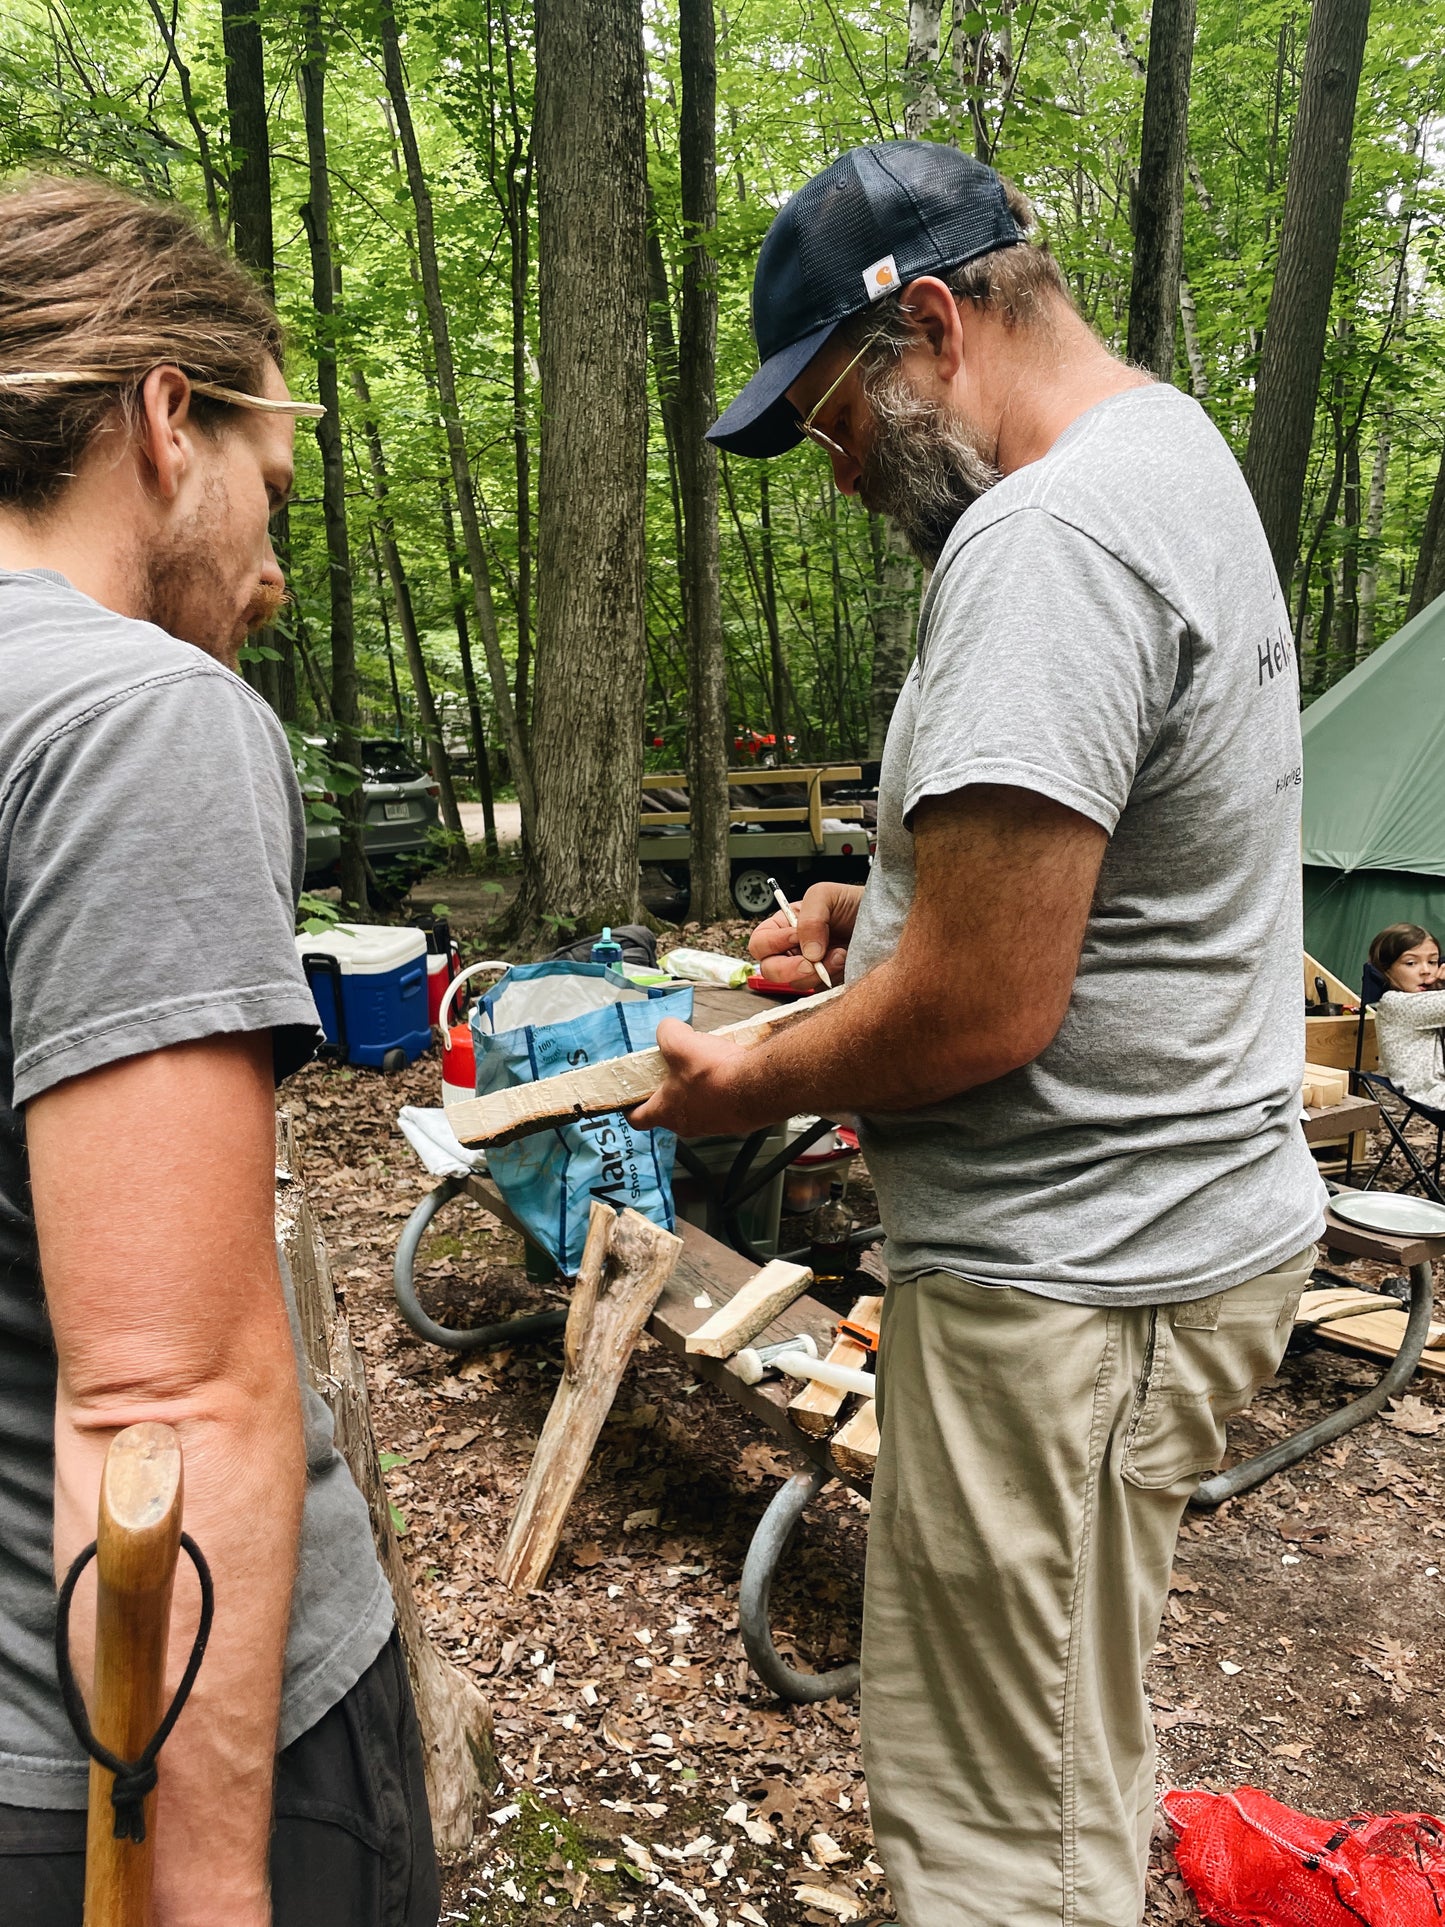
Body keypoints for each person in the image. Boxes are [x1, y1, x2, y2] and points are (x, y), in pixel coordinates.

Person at [631, 141, 1327, 1926]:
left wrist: (744, 1077)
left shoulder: (1048, 537)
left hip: (1074, 1294)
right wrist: (897, 910)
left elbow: (990, 1007)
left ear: (930, 322)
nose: (839, 475)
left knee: (990, 1842)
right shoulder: (1172, 458)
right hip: (1168, 1253)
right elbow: (1115, 881)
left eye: (835, 425)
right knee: (1065, 1755)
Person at [0, 176, 437, 1927]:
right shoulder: (132, 721)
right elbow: (156, 1412)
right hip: (111, 1784)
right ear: (164, 420)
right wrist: (197, 1891)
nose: (269, 571)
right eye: (272, 487)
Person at [1367, 923, 1445, 1110]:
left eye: (1433, 962)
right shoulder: (1394, 1003)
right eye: (1411, 963)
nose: (1426, 970)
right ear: (1386, 969)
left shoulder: (1429, 998)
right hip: (1432, 1094)